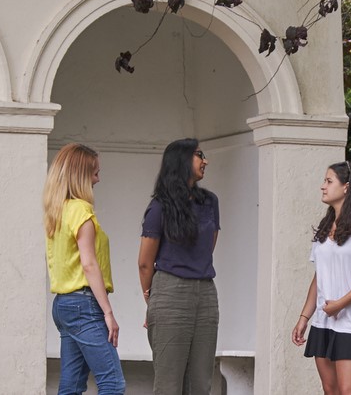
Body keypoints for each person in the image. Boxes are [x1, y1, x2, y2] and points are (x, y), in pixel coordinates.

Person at [137, 138, 221, 395]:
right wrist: (153, 300)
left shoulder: (210, 201)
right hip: (170, 289)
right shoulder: (160, 206)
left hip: (206, 292)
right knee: (169, 383)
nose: (205, 160)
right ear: (181, 160)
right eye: (199, 155)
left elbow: (209, 247)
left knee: (201, 383)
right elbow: (144, 263)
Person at [292, 162, 351, 395]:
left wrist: (340, 304)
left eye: (329, 181)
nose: (322, 186)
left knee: (348, 391)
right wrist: (305, 316)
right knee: (330, 390)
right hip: (323, 321)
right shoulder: (325, 226)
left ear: (347, 187)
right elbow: (319, 276)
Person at [44, 143, 124, 395]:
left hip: (63, 306)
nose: (98, 179)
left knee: (71, 386)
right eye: (94, 173)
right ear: (80, 175)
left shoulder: (57, 211)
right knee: (112, 383)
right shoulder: (81, 210)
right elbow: (89, 264)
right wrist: (108, 313)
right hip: (83, 305)